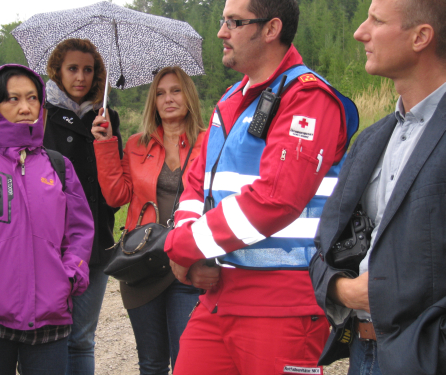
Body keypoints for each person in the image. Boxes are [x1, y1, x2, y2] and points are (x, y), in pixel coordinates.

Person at [164, 0, 358, 373]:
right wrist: (189, 250)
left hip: (283, 307)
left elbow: (276, 199)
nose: (221, 32)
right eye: (223, 21)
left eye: (233, 22)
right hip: (217, 298)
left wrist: (181, 246)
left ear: (270, 30)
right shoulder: (230, 101)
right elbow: (195, 186)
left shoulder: (309, 97)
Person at [309, 0, 446, 374]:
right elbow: (322, 245)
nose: (359, 32)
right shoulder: (370, 141)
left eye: (377, 20)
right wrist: (340, 289)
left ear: (421, 37)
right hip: (363, 353)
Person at [0, 64, 94, 375]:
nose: (25, 107)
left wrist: (70, 276)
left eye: (31, 98)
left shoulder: (59, 167)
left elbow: (80, 231)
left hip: (49, 317)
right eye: (12, 99)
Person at [92, 66, 206, 375]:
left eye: (175, 90)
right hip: (143, 263)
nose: (168, 99)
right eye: (160, 93)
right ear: (152, 102)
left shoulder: (209, 142)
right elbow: (117, 196)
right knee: (151, 364)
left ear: (189, 96)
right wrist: (105, 145)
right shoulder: (135, 145)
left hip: (188, 263)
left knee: (187, 362)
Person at [43, 38, 123, 375]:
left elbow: (114, 187)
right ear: (58, 72)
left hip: (95, 243)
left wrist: (101, 141)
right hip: (50, 245)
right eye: (72, 68)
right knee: (47, 335)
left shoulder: (106, 117)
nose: (81, 77)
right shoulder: (41, 116)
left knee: (81, 338)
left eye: (88, 70)